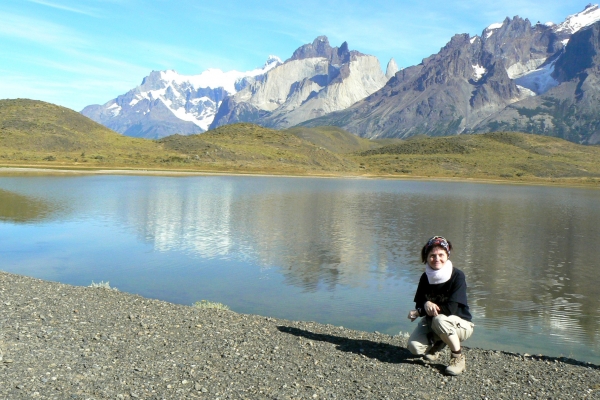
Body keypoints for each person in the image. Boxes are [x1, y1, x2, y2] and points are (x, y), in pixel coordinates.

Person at [406, 236, 474, 375]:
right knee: (414, 348)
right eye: (432, 255)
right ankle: (438, 344)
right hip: (434, 324)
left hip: (459, 324)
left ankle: (457, 358)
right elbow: (420, 301)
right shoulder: (425, 277)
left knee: (440, 319)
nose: (437, 259)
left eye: (441, 255)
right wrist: (425, 304)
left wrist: (420, 312)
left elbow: (451, 309)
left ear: (447, 255)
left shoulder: (457, 276)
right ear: (426, 257)